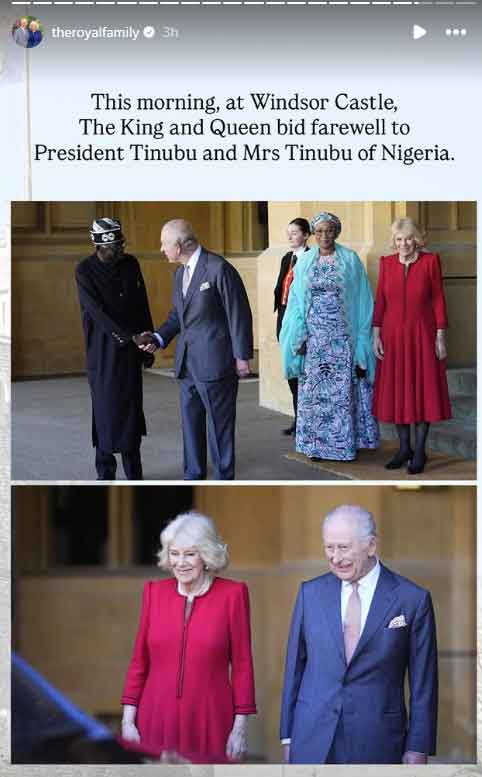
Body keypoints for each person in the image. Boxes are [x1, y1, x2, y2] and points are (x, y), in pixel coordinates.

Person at [280, 504, 438, 765]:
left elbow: (424, 682)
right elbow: (294, 667)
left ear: (371, 546)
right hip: (312, 739)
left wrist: (418, 746)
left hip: (378, 739)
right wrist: (287, 736)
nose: (334, 557)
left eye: (343, 548)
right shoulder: (310, 593)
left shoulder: (413, 599)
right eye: (329, 547)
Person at [121, 511, 257, 763]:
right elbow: (139, 662)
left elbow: (242, 665)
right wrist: (128, 721)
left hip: (211, 718)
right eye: (174, 553)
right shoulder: (154, 593)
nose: (180, 562)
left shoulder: (233, 595)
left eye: (189, 554)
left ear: (206, 555)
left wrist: (239, 728)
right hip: (155, 717)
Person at [134, 219, 253, 480]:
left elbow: (239, 313)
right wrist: (158, 337)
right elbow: (178, 316)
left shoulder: (218, 267)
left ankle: (224, 478)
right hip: (187, 363)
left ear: (180, 244)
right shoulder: (179, 274)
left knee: (219, 427)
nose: (161, 248)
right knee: (190, 425)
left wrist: (242, 356)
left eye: (165, 243)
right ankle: (193, 474)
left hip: (216, 362)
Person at [280, 211, 379, 462]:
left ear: (337, 232)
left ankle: (342, 446)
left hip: (342, 337)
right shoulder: (304, 262)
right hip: (314, 340)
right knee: (314, 394)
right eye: (320, 231)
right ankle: (316, 446)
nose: (325, 235)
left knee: (340, 394)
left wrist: (361, 339)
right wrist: (298, 335)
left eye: (329, 230)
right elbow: (295, 301)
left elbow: (363, 299)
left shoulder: (350, 260)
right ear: (314, 234)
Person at [75, 218, 154, 480]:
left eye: (120, 245)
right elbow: (95, 311)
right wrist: (127, 336)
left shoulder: (131, 264)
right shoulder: (84, 270)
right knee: (105, 410)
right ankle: (105, 473)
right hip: (103, 351)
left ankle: (134, 473)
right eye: (113, 248)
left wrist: (147, 343)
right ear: (100, 246)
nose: (119, 251)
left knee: (131, 410)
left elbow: (141, 303)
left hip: (132, 350)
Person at [372, 218, 451, 474]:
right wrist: (376, 334)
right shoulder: (386, 264)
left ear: (416, 239)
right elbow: (381, 301)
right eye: (398, 239)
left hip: (422, 334)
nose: (403, 244)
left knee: (424, 391)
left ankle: (419, 451)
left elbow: (438, 299)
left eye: (407, 238)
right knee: (397, 391)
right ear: (393, 242)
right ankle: (404, 448)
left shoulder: (430, 262)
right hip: (393, 337)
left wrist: (440, 335)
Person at [273, 217, 311, 437]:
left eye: (295, 232)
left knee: (302, 373)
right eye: (288, 232)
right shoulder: (287, 257)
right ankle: (298, 419)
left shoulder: (311, 257)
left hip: (300, 321)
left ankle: (304, 421)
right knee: (291, 372)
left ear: (306, 235)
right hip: (284, 317)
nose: (290, 236)